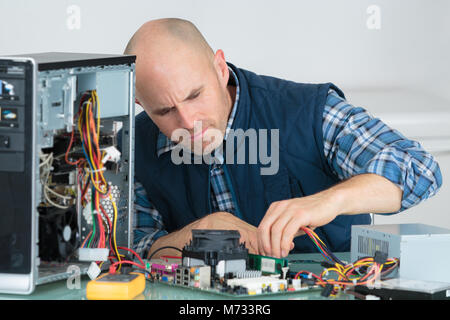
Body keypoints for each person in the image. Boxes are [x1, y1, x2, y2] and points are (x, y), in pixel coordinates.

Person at [123, 18, 442, 259]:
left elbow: (418, 170)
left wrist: (325, 202)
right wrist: (196, 234)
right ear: (141, 104)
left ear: (220, 68)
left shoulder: (307, 112)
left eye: (195, 95)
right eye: (165, 111)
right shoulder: (134, 146)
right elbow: (133, 252)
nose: (188, 122)